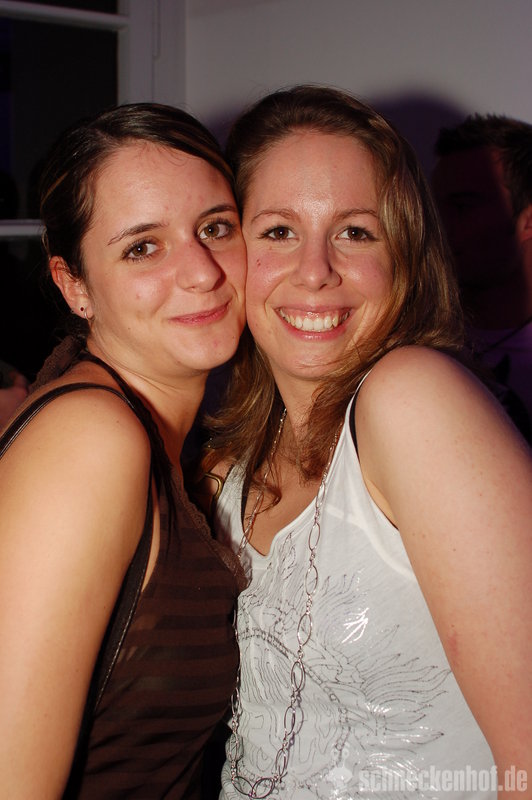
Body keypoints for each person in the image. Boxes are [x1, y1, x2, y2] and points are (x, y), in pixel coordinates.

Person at [201, 87, 532, 798]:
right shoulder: (230, 469)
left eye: (355, 232)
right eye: (278, 231)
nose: (315, 270)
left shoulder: (415, 399)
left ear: (404, 256)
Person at [0, 102, 247, 798]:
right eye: (143, 247)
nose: (201, 271)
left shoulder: (164, 441)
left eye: (215, 228)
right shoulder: (92, 440)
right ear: (73, 285)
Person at [432, 114, 532, 441]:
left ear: (528, 221)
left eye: (462, 207)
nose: (436, 227)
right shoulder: (410, 338)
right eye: (432, 208)